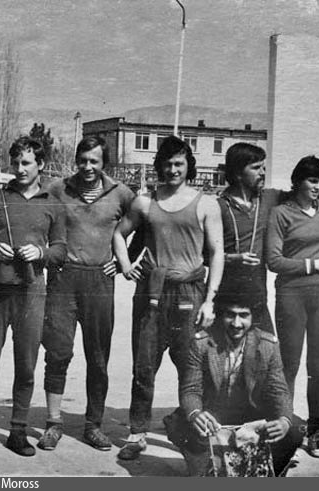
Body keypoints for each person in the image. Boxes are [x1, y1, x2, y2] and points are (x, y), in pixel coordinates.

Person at [112, 135, 224, 460]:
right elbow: (119, 234)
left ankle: (191, 431)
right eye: (167, 164)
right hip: (152, 291)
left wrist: (210, 300)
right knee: (144, 366)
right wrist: (125, 266)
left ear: (189, 166)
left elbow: (217, 253)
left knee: (192, 368)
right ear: (159, 166)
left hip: (190, 292)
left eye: (179, 164)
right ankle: (137, 433)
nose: (173, 170)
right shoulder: (144, 202)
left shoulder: (206, 204)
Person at [0, 136, 66, 458]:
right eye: (16, 163)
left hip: (32, 293)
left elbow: (61, 250)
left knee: (26, 366)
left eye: (27, 163)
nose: (20, 169)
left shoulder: (52, 203)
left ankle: (18, 432)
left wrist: (41, 252)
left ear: (41, 165)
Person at [37, 136, 135, 452]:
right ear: (75, 160)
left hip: (100, 282)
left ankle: (93, 425)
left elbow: (147, 225)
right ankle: (53, 423)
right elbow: (36, 221)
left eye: (94, 161)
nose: (88, 167)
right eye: (82, 160)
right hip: (63, 280)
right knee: (58, 352)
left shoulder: (121, 193)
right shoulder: (57, 189)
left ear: (105, 163)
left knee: (98, 357)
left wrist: (123, 261)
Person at [217, 143, 319, 333]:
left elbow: (305, 193)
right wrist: (232, 258)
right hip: (225, 290)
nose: (263, 172)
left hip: (257, 290)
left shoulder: (268, 198)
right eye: (256, 168)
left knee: (265, 346)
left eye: (263, 167)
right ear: (238, 172)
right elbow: (201, 254)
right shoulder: (218, 206)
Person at [163, 290, 301, 476]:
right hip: (214, 418)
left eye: (243, 315)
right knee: (179, 424)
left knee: (294, 428)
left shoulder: (268, 345)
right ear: (221, 315)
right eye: (230, 315)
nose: (236, 323)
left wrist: (284, 420)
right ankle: (205, 465)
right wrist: (196, 413)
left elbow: (280, 391)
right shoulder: (202, 343)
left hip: (252, 415)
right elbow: (190, 389)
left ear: (253, 318)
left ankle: (269, 470)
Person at [265, 156, 319, 459]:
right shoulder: (280, 213)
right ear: (297, 182)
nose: (317, 186)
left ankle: (315, 433)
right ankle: (286, 435)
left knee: (318, 367)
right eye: (312, 180)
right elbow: (274, 261)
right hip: (291, 293)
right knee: (289, 365)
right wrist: (313, 264)